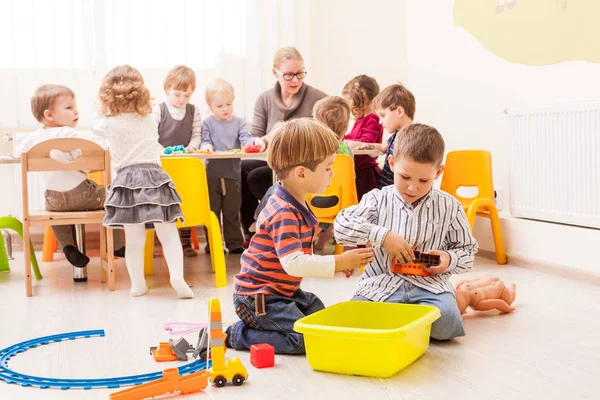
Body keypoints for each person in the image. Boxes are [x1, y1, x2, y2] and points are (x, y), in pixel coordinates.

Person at [226, 118, 375, 354]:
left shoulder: (297, 202)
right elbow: (294, 263)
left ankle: (266, 327)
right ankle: (237, 334)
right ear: (302, 174)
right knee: (305, 340)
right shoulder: (284, 211)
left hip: (282, 294)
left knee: (321, 320)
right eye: (327, 168)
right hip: (258, 300)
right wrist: (338, 262)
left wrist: (336, 264)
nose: (332, 173)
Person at [334, 124, 478, 341]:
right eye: (405, 177)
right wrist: (382, 236)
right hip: (379, 287)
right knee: (357, 319)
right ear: (391, 163)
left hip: (430, 287)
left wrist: (449, 258)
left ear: (438, 172)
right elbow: (341, 225)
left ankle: (445, 304)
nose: (412, 187)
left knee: (447, 325)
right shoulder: (377, 199)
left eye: (423, 180)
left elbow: (467, 249)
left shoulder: (450, 206)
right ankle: (410, 324)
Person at [92, 65, 193, 299]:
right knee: (168, 234)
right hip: (154, 177)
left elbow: (94, 124)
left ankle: (138, 285)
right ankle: (177, 276)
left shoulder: (108, 123)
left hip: (126, 181)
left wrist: (103, 108)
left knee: (134, 240)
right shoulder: (148, 119)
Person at [13, 84, 125, 268]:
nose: (75, 111)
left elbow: (18, 153)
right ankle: (118, 245)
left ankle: (68, 246)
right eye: (69, 108)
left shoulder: (34, 137)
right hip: (83, 195)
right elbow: (94, 155)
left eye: (75, 107)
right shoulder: (69, 133)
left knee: (55, 215)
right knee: (114, 198)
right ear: (49, 115)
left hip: (54, 199)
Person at [240, 46, 327, 247]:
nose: (295, 80)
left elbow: (323, 137)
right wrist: (261, 141)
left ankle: (284, 222)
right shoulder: (264, 99)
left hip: (302, 164)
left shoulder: (318, 98)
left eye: (300, 74)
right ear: (275, 73)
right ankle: (252, 232)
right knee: (244, 168)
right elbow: (256, 136)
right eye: (289, 75)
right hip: (273, 161)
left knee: (257, 176)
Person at [199, 78, 258, 254]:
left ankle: (234, 243)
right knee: (212, 211)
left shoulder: (239, 122)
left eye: (228, 104)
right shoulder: (207, 123)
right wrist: (206, 147)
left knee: (232, 211)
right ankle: (213, 243)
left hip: (232, 174)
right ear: (210, 105)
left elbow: (245, 137)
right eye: (219, 106)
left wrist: (249, 144)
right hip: (212, 175)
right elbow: (205, 141)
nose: (225, 109)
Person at [152, 65, 202, 257]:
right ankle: (165, 242)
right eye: (178, 94)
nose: (182, 100)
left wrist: (192, 146)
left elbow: (197, 135)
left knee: (186, 199)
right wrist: (164, 152)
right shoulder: (158, 110)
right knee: (166, 203)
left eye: (187, 96)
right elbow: (152, 139)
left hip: (185, 165)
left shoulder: (193, 111)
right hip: (163, 165)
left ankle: (186, 241)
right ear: (167, 89)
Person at [341, 74, 384, 201]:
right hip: (356, 171)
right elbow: (353, 137)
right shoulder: (361, 120)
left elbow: (366, 141)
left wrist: (347, 142)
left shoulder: (373, 119)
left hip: (365, 174)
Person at [371, 83, 416, 188]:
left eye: (383, 115)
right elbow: (382, 148)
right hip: (386, 191)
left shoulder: (412, 139)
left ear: (399, 111)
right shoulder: (397, 134)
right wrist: (355, 144)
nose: (380, 122)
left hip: (397, 194)